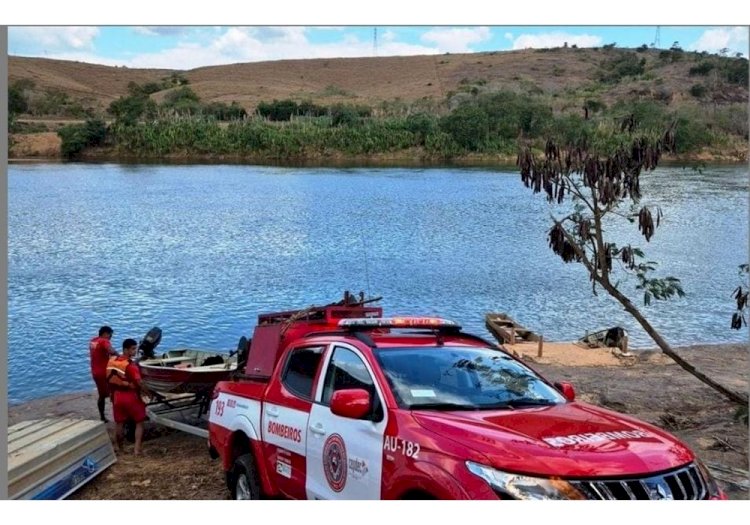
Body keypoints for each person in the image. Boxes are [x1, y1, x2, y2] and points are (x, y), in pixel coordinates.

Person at [107, 338, 148, 455]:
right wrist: (148, 392)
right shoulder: (131, 366)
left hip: (116, 397)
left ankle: (119, 448)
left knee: (119, 423)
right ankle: (137, 450)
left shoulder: (113, 361)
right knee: (139, 422)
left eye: (135, 348)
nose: (135, 351)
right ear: (126, 349)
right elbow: (139, 382)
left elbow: (110, 379)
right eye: (133, 349)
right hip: (131, 396)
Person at [89, 326, 117, 422]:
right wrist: (121, 357)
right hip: (104, 372)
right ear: (105, 333)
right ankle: (119, 416)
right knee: (115, 393)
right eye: (110, 335)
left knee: (102, 395)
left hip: (95, 372)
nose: (110, 337)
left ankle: (102, 417)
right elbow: (111, 351)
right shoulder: (104, 341)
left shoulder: (93, 341)